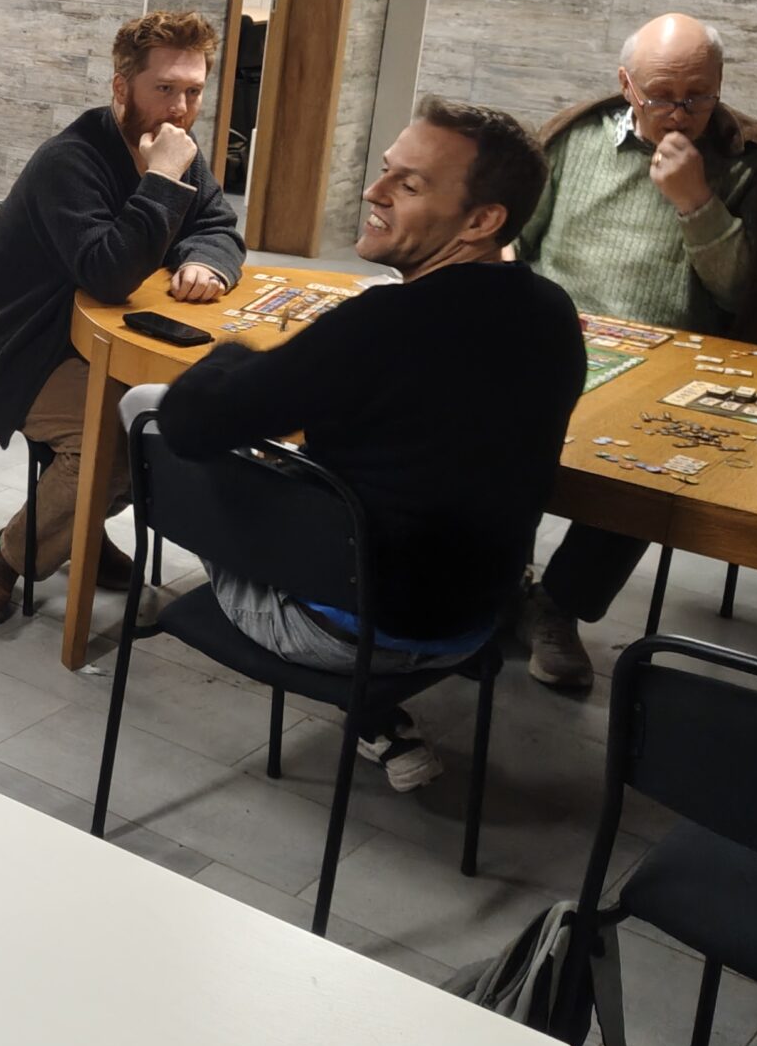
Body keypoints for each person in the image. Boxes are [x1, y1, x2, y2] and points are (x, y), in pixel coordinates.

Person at [146, 100, 585, 789]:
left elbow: (191, 424)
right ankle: (378, 722)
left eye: (408, 185)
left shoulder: (379, 324)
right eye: (385, 171)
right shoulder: (554, 313)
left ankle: (126, 591)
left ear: (481, 220)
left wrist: (230, 354)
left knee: (148, 414)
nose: (373, 192)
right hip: (475, 621)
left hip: (342, 635)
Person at [515, 13, 757, 690]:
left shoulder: (755, 160)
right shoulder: (575, 138)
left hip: (675, 370)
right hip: (554, 340)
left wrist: (697, 203)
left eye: (699, 95)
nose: (681, 113)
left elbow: (754, 299)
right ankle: (492, 582)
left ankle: (557, 606)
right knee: (472, 425)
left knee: (654, 468)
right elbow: (520, 241)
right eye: (662, 96)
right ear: (626, 84)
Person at [0, 9, 246, 623]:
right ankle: (4, 557)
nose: (180, 108)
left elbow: (217, 224)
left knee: (165, 424)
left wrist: (206, 261)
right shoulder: (72, 161)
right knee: (111, 439)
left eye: (193, 91)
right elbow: (107, 271)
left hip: (85, 332)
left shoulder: (177, 149)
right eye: (164, 88)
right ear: (121, 87)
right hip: (9, 341)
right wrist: (162, 181)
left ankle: (77, 529)